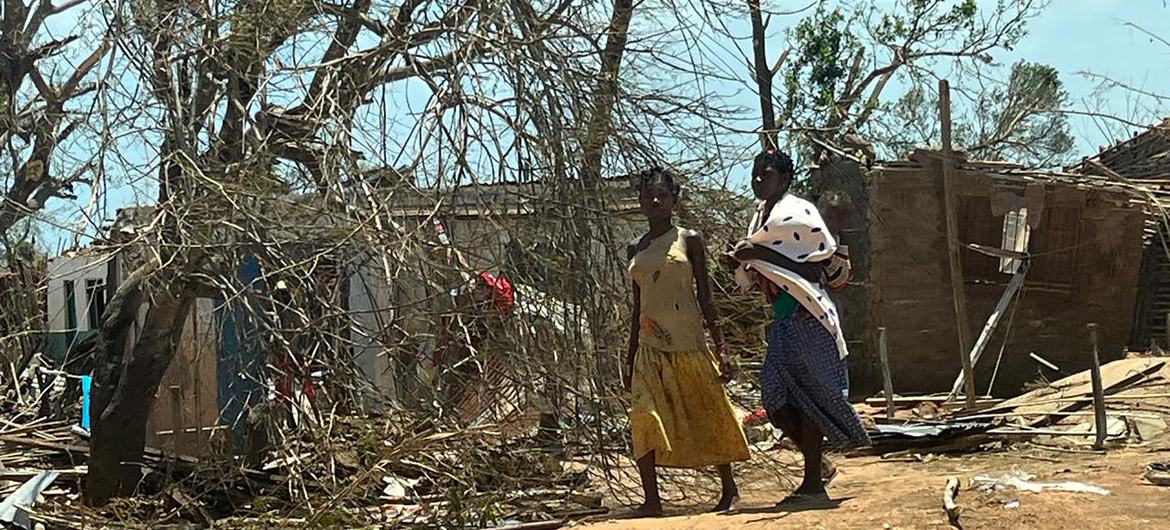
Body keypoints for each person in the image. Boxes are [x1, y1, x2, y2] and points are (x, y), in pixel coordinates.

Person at [729, 150, 870, 506]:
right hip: (783, 323)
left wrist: (757, 255)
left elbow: (810, 270)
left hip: (808, 320)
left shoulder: (797, 214)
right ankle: (817, 464)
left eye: (767, 174)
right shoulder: (762, 219)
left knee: (808, 400)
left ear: (785, 179)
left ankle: (812, 485)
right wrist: (744, 259)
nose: (759, 179)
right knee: (775, 401)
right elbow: (762, 267)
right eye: (755, 173)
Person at [625, 166, 750, 516]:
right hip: (650, 348)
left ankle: (729, 489)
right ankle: (652, 501)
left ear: (674, 200)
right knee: (643, 416)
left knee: (708, 410)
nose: (654, 201)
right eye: (648, 195)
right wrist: (630, 354)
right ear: (639, 201)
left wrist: (721, 348)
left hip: (689, 344)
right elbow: (637, 306)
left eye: (662, 195)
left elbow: (707, 298)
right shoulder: (635, 247)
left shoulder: (689, 240)